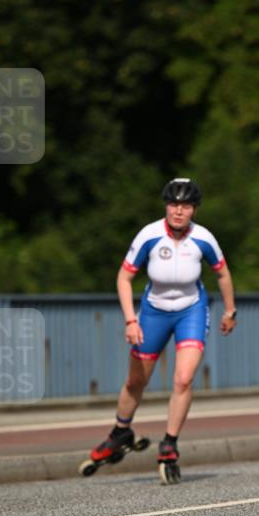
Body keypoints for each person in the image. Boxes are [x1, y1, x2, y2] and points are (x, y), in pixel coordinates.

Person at [89, 178, 237, 483]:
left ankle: (169, 443)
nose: (178, 211)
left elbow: (222, 273)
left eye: (185, 206)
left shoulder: (204, 238)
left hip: (190, 312)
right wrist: (131, 320)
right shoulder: (149, 235)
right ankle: (121, 432)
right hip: (154, 311)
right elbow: (123, 278)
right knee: (135, 380)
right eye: (173, 204)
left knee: (183, 379)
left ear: (194, 209)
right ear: (166, 206)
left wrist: (230, 310)